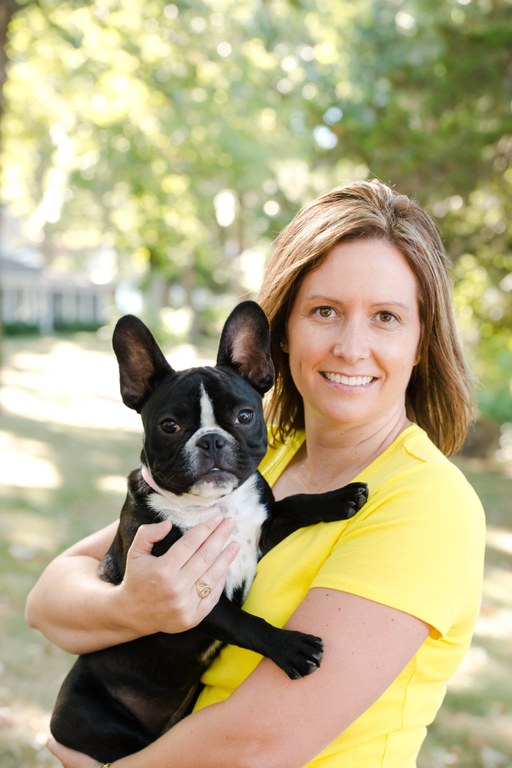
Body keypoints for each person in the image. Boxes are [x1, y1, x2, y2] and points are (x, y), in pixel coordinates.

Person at [26, 179, 486, 768]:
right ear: (281, 334)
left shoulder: (427, 505)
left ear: (422, 341)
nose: (351, 346)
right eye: (325, 311)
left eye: (386, 317)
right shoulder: (251, 460)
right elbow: (47, 601)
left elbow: (257, 744)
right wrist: (133, 609)